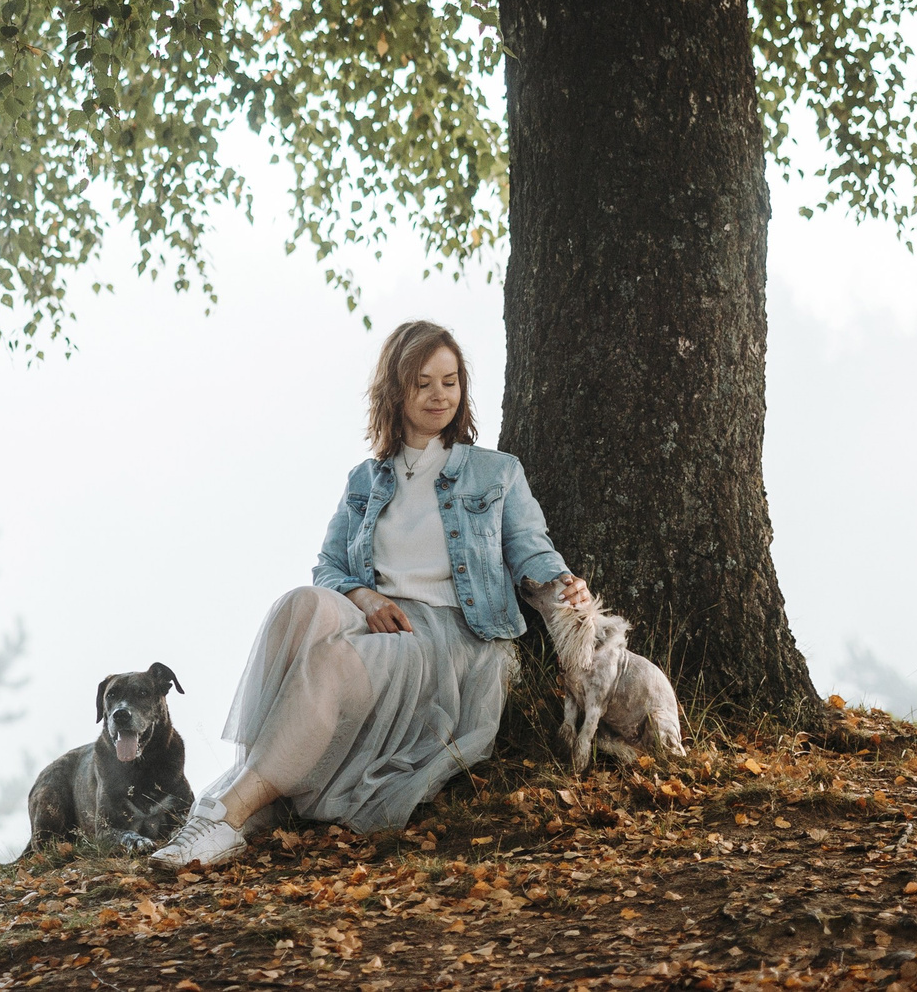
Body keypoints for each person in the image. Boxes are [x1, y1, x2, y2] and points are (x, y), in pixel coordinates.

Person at [150, 320, 589, 867]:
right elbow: (329, 567)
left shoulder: (495, 472)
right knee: (298, 605)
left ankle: (224, 816)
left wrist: (560, 584)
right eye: (423, 382)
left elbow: (530, 548)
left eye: (450, 381)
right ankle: (255, 790)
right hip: (381, 621)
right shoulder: (366, 479)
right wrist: (365, 599)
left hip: (452, 637)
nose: (439, 396)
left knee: (328, 665)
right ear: (396, 390)